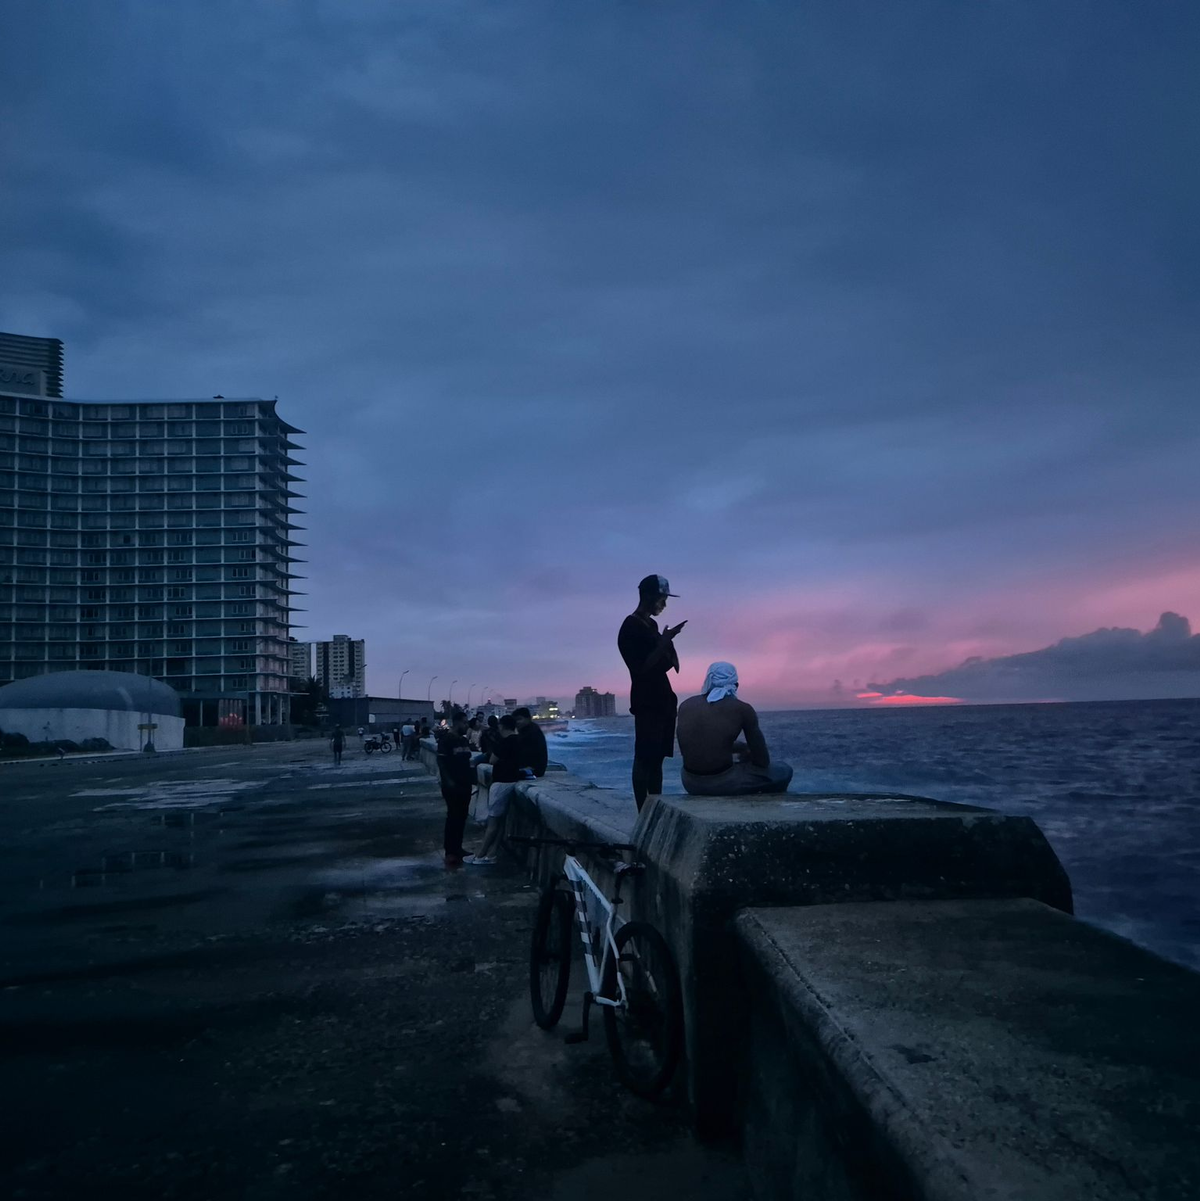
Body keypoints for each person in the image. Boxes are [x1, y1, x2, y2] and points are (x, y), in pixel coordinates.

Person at [618, 573, 686, 811]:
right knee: (644, 757)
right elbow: (642, 668)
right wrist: (664, 641)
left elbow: (663, 662)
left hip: (663, 699)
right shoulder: (630, 627)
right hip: (647, 701)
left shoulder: (651, 625)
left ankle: (655, 809)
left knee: (657, 759)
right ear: (647, 596)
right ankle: (643, 813)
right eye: (661, 598)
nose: (664, 604)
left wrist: (667, 641)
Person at [676, 662, 793, 795]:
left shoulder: (686, 705)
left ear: (708, 681)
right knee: (784, 770)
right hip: (721, 783)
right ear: (736, 685)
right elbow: (762, 761)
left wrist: (740, 747)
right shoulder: (743, 709)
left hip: (689, 782)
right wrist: (748, 753)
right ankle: (765, 804)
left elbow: (699, 745)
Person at [465, 715, 521, 865]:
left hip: (501, 782)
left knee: (493, 822)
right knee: (501, 821)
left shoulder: (504, 741)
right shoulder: (519, 740)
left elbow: (492, 760)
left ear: (502, 726)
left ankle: (480, 855)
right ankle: (492, 854)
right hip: (513, 780)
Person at [435, 708, 475, 866]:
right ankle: (450, 851)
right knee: (453, 817)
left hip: (465, 784)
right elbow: (441, 762)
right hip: (452, 786)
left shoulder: (463, 740)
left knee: (462, 817)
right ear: (457, 723)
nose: (467, 726)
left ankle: (458, 847)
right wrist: (448, 781)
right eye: (464, 723)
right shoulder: (446, 740)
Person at [513, 707, 547, 778]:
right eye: (515, 720)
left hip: (534, 770)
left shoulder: (531, 732)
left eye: (519, 719)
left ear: (528, 718)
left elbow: (524, 753)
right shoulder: (529, 729)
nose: (517, 722)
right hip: (534, 768)